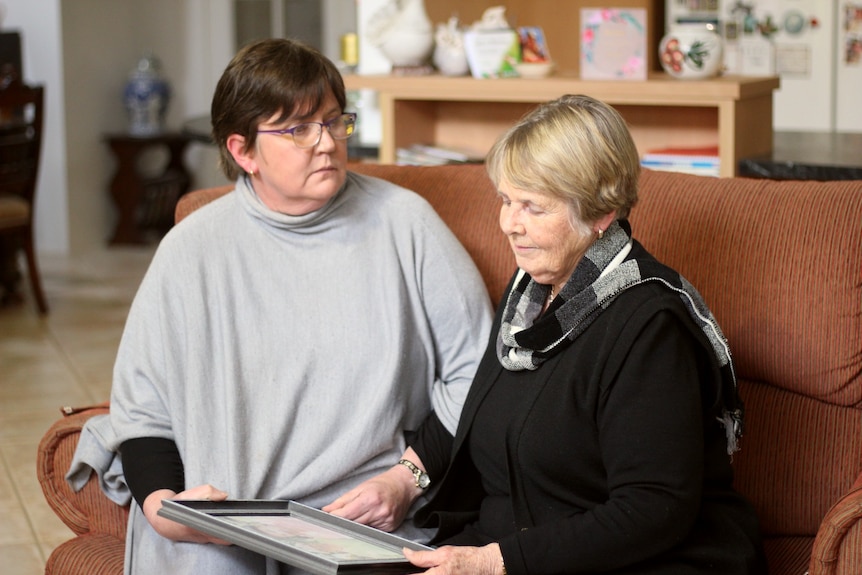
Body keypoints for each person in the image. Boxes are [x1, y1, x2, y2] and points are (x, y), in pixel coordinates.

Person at [106, 38, 493, 574]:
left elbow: (478, 371)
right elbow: (143, 407)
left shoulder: (408, 225)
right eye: (297, 129)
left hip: (360, 518)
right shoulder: (190, 251)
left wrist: (407, 480)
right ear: (243, 151)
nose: (326, 143)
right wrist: (163, 508)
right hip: (225, 520)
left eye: (335, 121)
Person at [351, 94, 767, 574]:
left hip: (634, 560)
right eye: (506, 200)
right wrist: (405, 478)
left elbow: (653, 510)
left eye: (533, 207)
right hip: (517, 547)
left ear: (599, 213)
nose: (510, 224)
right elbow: (480, 415)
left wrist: (498, 562)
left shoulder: (649, 325)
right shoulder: (528, 294)